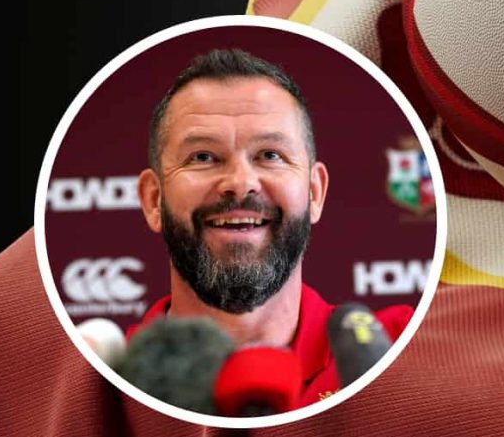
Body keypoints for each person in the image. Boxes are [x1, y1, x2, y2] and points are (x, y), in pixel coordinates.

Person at [129, 48, 413, 408]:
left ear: (314, 192)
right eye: (202, 157)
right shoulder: (102, 378)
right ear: (154, 200)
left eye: (270, 155)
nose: (240, 183)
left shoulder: (402, 345)